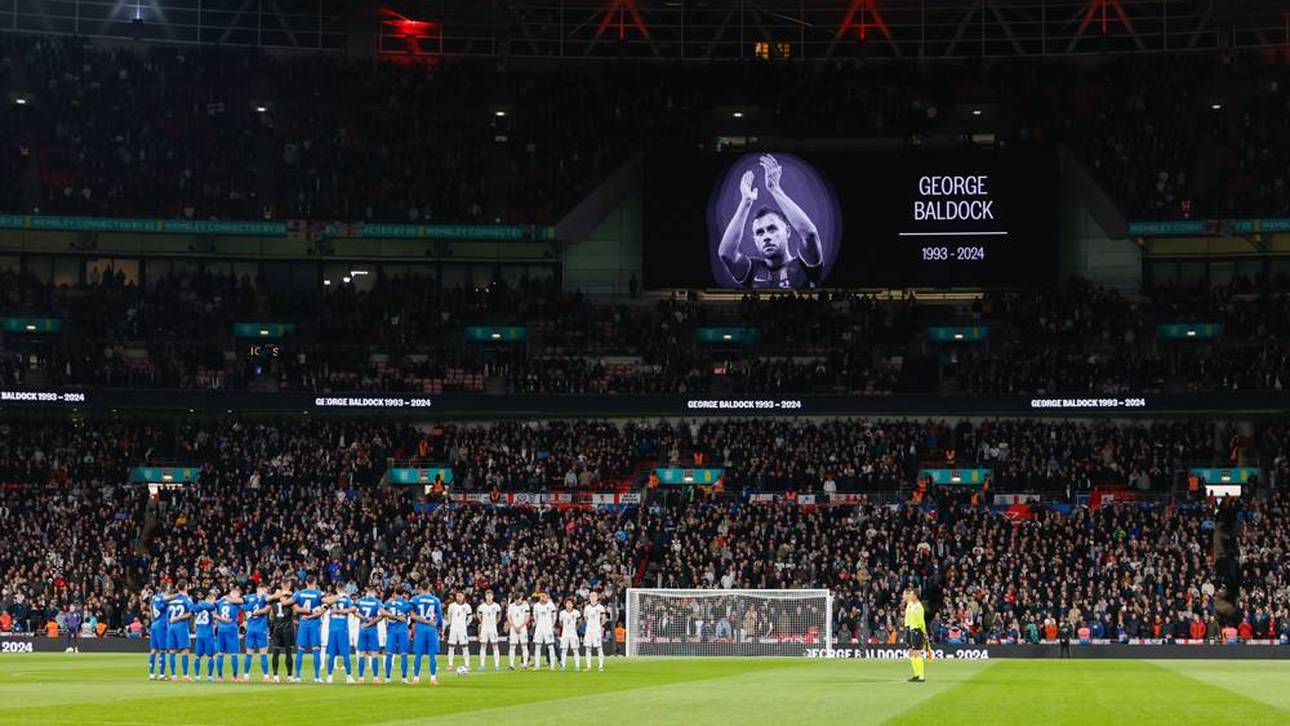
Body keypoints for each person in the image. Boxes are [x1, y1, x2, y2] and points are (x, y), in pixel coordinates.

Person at [718, 154, 823, 290]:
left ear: (787, 231)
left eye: (772, 229)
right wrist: (746, 202)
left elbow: (809, 234)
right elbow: (726, 254)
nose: (766, 237)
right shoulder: (752, 269)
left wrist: (775, 189)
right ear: (755, 240)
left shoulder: (804, 264)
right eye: (760, 233)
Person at [290, 577, 326, 683]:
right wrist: (315, 612)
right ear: (315, 582)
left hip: (303, 623)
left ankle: (297, 676)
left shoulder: (299, 593)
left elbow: (295, 608)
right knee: (316, 649)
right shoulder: (319, 594)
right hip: (315, 623)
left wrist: (304, 611)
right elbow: (325, 607)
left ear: (306, 582)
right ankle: (317, 677)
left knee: (300, 649)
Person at [409, 582, 442, 685]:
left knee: (418, 654)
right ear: (430, 587)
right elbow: (439, 616)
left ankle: (416, 678)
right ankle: (433, 678)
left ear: (420, 588)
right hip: (432, 628)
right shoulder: (436, 600)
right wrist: (440, 628)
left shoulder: (415, 599)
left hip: (420, 629)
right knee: (432, 655)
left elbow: (411, 614)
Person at [322, 583, 356, 684]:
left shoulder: (332, 599)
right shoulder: (347, 599)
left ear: (337, 589)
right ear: (344, 589)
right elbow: (353, 609)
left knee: (332, 654)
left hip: (332, 629)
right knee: (346, 654)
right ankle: (349, 677)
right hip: (343, 630)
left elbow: (324, 605)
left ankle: (329, 676)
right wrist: (343, 611)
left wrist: (335, 610)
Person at [241, 584, 274, 682]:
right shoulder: (265, 597)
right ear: (263, 589)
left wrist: (246, 614)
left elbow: (241, 605)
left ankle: (246, 676)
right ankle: (266, 676)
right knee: (263, 653)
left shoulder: (248, 597)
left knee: (249, 653)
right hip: (261, 628)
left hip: (250, 628)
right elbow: (269, 604)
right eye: (265, 590)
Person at [354, 585, 385, 683]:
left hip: (362, 628)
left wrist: (363, 618)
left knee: (362, 654)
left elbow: (353, 611)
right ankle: (375, 678)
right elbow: (382, 615)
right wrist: (371, 621)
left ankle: (361, 678)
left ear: (367, 592)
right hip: (372, 629)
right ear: (374, 593)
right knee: (374, 654)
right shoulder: (377, 602)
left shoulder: (360, 601)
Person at [165, 581, 196, 681]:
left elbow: (164, 603)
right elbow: (191, 612)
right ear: (186, 587)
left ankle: (173, 675)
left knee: (172, 651)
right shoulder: (186, 599)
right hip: (181, 626)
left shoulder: (172, 599)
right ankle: (185, 675)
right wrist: (178, 618)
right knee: (185, 650)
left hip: (171, 627)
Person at [382, 586, 413, 684]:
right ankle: (404, 678)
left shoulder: (389, 603)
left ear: (395, 592)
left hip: (391, 630)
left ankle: (387, 678)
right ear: (403, 593)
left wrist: (392, 616)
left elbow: (382, 611)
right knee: (404, 654)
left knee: (389, 654)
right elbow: (410, 615)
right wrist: (399, 617)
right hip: (403, 630)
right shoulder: (406, 603)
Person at [268, 579, 296, 682]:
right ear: (289, 585)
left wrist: (276, 595)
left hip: (277, 628)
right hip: (288, 628)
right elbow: (296, 610)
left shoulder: (275, 597)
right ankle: (289, 676)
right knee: (288, 653)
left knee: (276, 652)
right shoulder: (292, 597)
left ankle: (276, 676)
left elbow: (267, 600)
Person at [214, 588, 243, 680]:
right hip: (232, 628)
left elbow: (212, 610)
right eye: (238, 594)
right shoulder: (236, 603)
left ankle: (219, 676)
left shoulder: (220, 601)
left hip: (221, 629)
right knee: (234, 653)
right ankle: (235, 677)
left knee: (220, 653)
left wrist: (220, 618)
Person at [903, 588, 928, 683]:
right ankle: (916, 674)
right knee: (912, 652)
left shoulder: (918, 607)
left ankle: (921, 676)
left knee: (917, 652)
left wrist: (924, 632)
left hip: (917, 630)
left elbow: (921, 621)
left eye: (911, 594)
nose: (910, 596)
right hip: (911, 629)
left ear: (915, 596)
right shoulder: (912, 605)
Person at [192, 591, 218, 681]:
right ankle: (210, 676)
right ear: (210, 600)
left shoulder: (199, 606)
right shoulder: (211, 607)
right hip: (208, 634)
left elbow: (194, 610)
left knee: (197, 656)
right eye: (213, 600)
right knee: (210, 656)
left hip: (199, 634)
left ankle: (197, 676)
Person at [147, 586, 171, 680]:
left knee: (153, 650)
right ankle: (162, 674)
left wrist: (152, 620)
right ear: (166, 590)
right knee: (162, 650)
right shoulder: (163, 599)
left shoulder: (154, 598)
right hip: (161, 625)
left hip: (154, 624)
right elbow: (162, 607)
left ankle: (151, 674)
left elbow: (151, 609)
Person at [476, 590, 502, 671]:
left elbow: (499, 615)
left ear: (493, 596)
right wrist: (482, 622)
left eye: (490, 595)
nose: (489, 597)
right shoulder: (482, 606)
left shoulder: (496, 606)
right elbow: (478, 615)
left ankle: (497, 665)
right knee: (483, 645)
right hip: (484, 628)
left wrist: (495, 622)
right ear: (485, 596)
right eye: (487, 595)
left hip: (493, 628)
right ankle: (482, 665)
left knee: (495, 645)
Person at [445, 591, 472, 670]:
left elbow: (470, 617)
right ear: (456, 597)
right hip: (453, 628)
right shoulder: (452, 606)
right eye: (458, 596)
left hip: (462, 629)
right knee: (451, 646)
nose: (459, 597)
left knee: (465, 646)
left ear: (463, 596)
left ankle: (467, 664)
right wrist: (451, 624)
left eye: (460, 595)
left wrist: (466, 624)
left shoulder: (467, 606)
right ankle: (450, 664)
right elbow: (449, 616)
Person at [531, 592, 558, 671]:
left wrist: (551, 625)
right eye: (541, 596)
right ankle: (537, 666)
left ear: (547, 597)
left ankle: (552, 666)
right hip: (539, 628)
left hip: (548, 628)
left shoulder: (551, 605)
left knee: (551, 646)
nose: (542, 598)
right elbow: (535, 616)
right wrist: (538, 624)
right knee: (537, 646)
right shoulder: (536, 606)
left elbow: (554, 616)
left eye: (544, 596)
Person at [583, 591, 608, 672]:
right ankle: (588, 667)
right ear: (589, 598)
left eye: (594, 596)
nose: (593, 598)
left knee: (599, 648)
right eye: (591, 596)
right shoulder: (587, 608)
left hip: (597, 630)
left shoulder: (600, 607)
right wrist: (590, 625)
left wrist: (600, 625)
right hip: (589, 630)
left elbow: (603, 618)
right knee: (588, 648)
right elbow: (586, 618)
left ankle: (600, 666)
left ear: (597, 597)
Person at [507, 592, 531, 671]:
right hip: (513, 628)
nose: (517, 601)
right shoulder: (511, 606)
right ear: (514, 599)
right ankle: (511, 665)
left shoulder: (525, 605)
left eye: (519, 599)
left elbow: (527, 618)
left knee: (524, 646)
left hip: (522, 628)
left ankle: (525, 665)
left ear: (521, 598)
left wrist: (520, 627)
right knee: (512, 646)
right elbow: (509, 617)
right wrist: (514, 627)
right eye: (516, 600)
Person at [558, 598, 582, 671]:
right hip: (565, 634)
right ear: (565, 604)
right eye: (567, 603)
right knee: (564, 650)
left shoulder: (576, 612)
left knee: (575, 650)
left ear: (572, 604)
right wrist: (565, 628)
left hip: (573, 634)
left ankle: (577, 666)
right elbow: (560, 622)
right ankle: (563, 666)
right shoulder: (562, 613)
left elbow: (580, 621)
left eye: (570, 603)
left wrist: (576, 628)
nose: (569, 604)